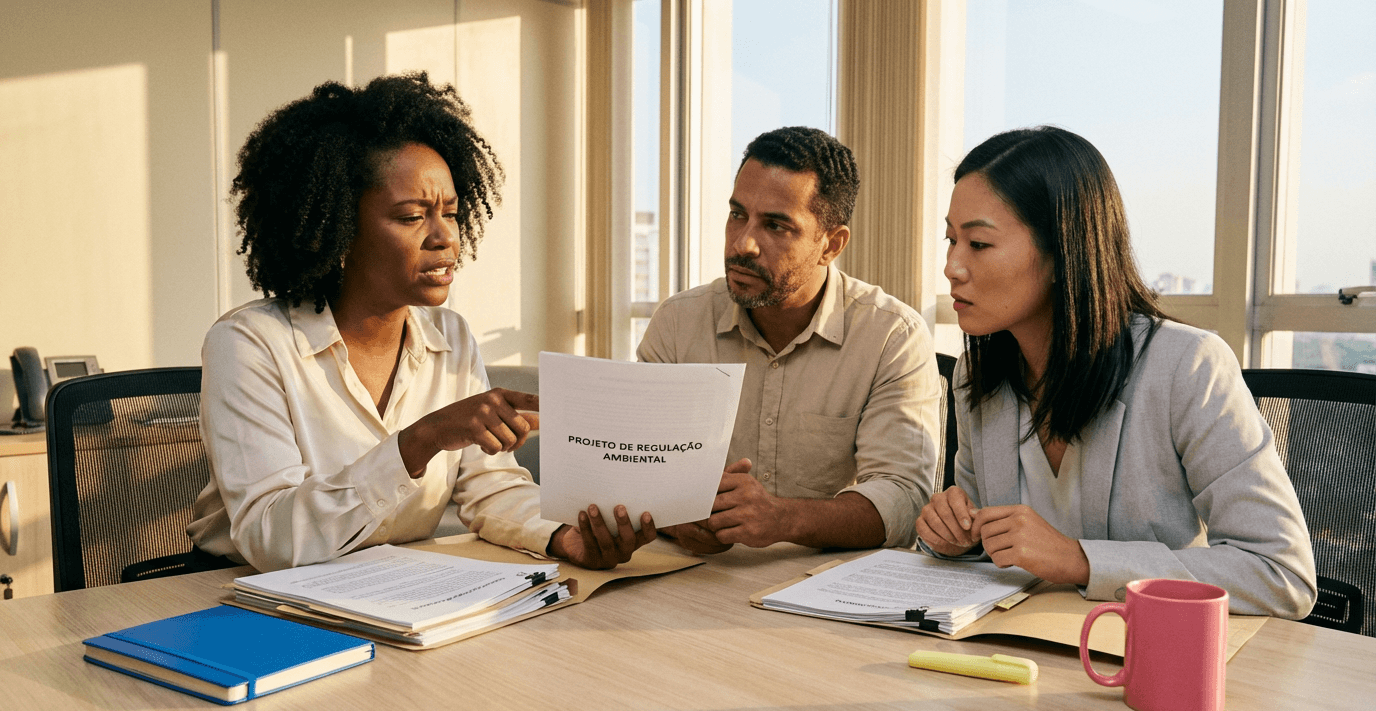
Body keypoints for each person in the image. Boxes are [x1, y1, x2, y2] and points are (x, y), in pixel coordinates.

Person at [188, 73, 656, 572]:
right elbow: (271, 537)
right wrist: (421, 440)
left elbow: (490, 488)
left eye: (451, 214)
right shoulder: (249, 344)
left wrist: (563, 538)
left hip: (389, 589)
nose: (445, 238)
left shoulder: (450, 337)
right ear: (340, 230)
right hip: (239, 598)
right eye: (413, 216)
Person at [918, 126, 1317, 618]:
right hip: (1017, 654)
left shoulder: (1187, 367)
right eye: (950, 239)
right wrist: (952, 537)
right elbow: (986, 544)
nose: (951, 266)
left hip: (1148, 662)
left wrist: (1082, 561)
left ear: (1064, 250)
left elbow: (1281, 573)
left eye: (978, 243)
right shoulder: (976, 375)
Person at [637, 126, 942, 554]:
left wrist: (782, 518)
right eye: (737, 214)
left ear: (831, 245)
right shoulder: (678, 323)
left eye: (776, 226)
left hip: (828, 592)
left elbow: (904, 501)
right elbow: (638, 468)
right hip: (695, 576)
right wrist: (670, 518)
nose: (742, 244)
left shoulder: (892, 336)